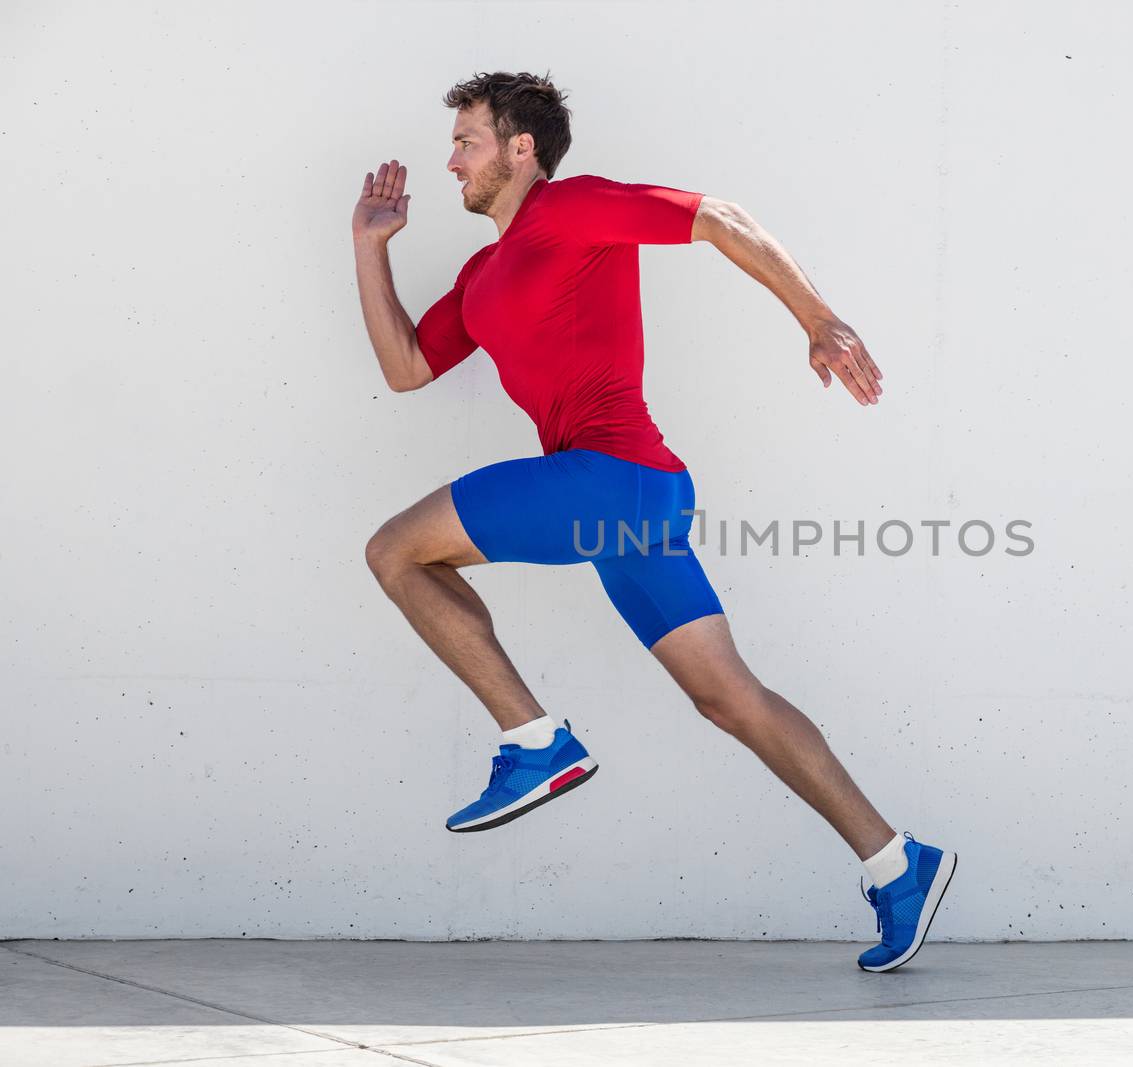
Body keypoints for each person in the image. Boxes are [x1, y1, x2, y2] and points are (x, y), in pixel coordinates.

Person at [350, 70, 954, 971]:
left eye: (467, 140)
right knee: (727, 697)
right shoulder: (482, 273)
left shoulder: (574, 207)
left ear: (522, 149)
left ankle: (534, 740)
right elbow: (405, 368)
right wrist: (370, 248)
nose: (451, 161)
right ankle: (897, 861)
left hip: (608, 479)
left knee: (397, 550)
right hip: (632, 501)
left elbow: (721, 218)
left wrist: (818, 320)